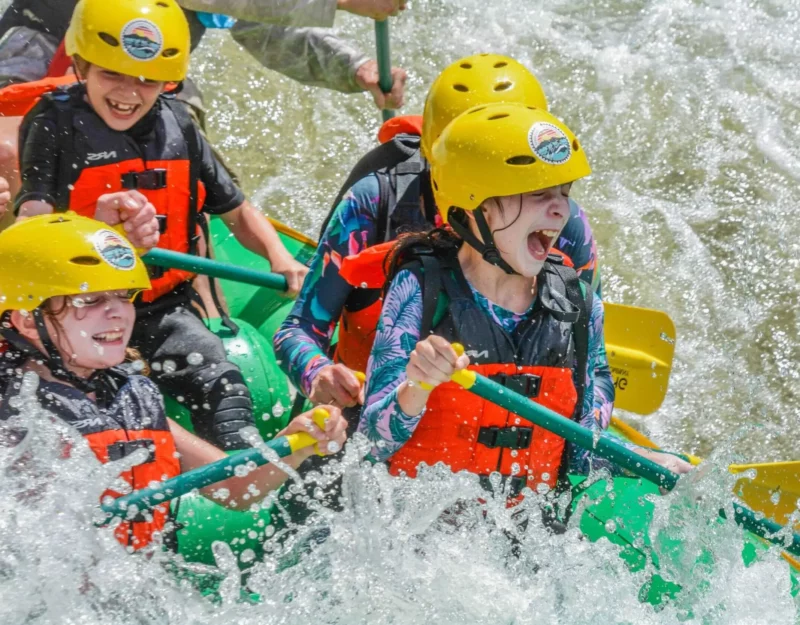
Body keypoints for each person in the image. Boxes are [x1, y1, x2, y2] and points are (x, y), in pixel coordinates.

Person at [14, 0, 309, 451]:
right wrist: (94, 227)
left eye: (147, 80)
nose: (129, 93)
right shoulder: (53, 124)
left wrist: (281, 258)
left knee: (223, 384)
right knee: (99, 402)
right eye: (112, 74)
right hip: (79, 308)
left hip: (160, 309)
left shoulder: (180, 125)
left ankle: (243, 476)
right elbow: (32, 223)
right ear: (80, 65)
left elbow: (237, 211)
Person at [357, 103, 692, 499]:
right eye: (538, 193)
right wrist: (418, 386)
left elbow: (582, 452)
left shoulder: (578, 305)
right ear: (476, 205)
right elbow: (373, 444)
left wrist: (648, 461)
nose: (561, 209)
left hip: (526, 545)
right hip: (419, 538)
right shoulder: (420, 290)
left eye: (564, 193)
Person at [274, 54, 602, 415]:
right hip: (369, 408)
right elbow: (297, 330)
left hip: (504, 429)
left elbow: (587, 354)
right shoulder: (375, 201)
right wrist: (319, 375)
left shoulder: (562, 226)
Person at [0, 213, 347, 552]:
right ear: (28, 323)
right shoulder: (15, 417)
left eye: (123, 296)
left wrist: (297, 441)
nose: (118, 312)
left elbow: (236, 486)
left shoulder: (130, 396)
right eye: (90, 300)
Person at [0, 0, 408, 200]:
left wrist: (353, 67)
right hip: (43, 46)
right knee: (7, 155)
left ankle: (195, 299)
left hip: (148, 76)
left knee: (194, 175)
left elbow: (265, 27)